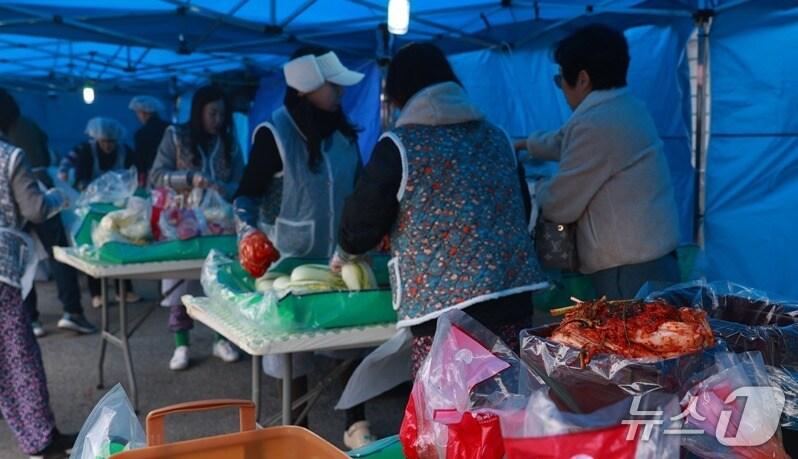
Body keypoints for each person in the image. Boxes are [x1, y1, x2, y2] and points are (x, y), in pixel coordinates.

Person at [334, 42, 548, 377]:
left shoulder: (401, 144)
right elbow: (520, 208)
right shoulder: (497, 136)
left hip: (443, 312)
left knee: (448, 411)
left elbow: (361, 225)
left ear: (400, 92)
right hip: (511, 298)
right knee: (508, 406)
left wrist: (345, 253)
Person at [234, 47, 372, 449]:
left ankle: (356, 424)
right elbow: (246, 196)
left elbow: (362, 188)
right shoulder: (274, 134)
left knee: (350, 345)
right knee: (294, 357)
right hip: (288, 265)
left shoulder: (345, 135)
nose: (340, 94)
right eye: (332, 85)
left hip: (340, 259)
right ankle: (300, 433)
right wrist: (248, 233)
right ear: (306, 88)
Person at [514, 24, 680, 299]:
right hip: (653, 260)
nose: (562, 89)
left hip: (627, 273)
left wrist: (535, 189)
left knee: (627, 339)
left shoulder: (596, 125)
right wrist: (523, 144)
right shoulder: (628, 108)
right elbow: (563, 140)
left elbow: (560, 205)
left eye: (560, 81)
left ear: (582, 79)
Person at [150, 84, 244, 371]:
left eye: (222, 114)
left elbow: (241, 179)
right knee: (180, 285)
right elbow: (156, 176)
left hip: (220, 224)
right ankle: (181, 344)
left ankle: (220, 339)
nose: (218, 120)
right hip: (181, 223)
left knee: (218, 282)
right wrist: (190, 178)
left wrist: (225, 188)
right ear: (198, 111)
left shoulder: (228, 141)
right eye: (213, 113)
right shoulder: (175, 136)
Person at [0, 137, 77, 458]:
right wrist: (60, 196)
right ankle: (40, 439)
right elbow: (35, 209)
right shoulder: (10, 156)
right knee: (18, 356)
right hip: (1, 271)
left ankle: (35, 435)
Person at [0, 88, 96, 337]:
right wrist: (60, 196)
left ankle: (31, 319)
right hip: (36, 188)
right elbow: (36, 209)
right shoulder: (13, 151)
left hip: (6, 263)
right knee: (58, 252)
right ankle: (72, 312)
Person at [59, 117, 140, 308]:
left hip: (118, 208)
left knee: (121, 244)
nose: (108, 146)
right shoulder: (87, 152)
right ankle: (97, 293)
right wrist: (95, 193)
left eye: (111, 142)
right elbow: (80, 180)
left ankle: (124, 290)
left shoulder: (125, 152)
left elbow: (133, 177)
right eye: (104, 142)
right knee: (93, 247)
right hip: (92, 207)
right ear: (96, 140)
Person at [128, 95, 170, 187]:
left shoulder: (141, 134)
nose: (138, 117)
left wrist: (140, 183)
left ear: (143, 113)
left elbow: (140, 162)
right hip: (172, 175)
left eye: (138, 113)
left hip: (153, 176)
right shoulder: (170, 128)